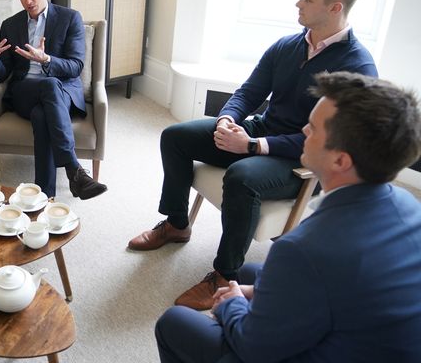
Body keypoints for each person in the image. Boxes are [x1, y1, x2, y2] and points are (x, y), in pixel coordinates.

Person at [127, 0, 378, 310]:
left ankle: (225, 273)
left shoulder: (359, 68)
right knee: (175, 136)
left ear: (335, 7)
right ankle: (176, 223)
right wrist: (227, 121)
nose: (297, 3)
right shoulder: (287, 45)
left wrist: (253, 146)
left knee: (242, 176)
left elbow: (333, 141)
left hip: (303, 157)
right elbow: (248, 91)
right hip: (262, 130)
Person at [155, 71, 421, 362]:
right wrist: (249, 293)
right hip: (365, 330)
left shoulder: (302, 249)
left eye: (314, 128)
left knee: (174, 323)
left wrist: (231, 305)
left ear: (340, 160)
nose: (304, 130)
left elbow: (253, 348)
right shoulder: (409, 206)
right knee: (249, 273)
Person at [0, 0, 107, 200]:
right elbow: (3, 75)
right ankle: (74, 170)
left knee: (43, 112)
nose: (27, 0)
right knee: (48, 86)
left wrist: (47, 59)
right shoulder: (10, 25)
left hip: (62, 93)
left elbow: (75, 66)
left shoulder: (70, 18)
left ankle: (45, 197)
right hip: (25, 92)